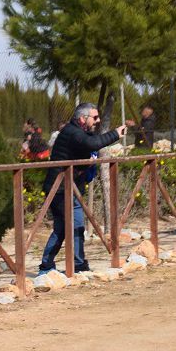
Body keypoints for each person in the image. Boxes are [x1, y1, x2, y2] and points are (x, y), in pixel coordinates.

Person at [38, 103, 127, 275]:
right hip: (59, 190)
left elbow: (91, 143)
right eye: (95, 117)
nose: (98, 121)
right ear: (82, 118)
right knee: (63, 229)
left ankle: (78, 265)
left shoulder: (80, 132)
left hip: (73, 189)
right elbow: (92, 144)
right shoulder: (73, 133)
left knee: (78, 227)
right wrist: (115, 133)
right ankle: (46, 266)